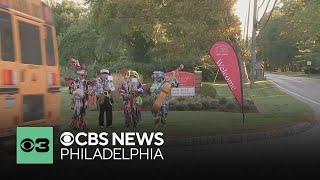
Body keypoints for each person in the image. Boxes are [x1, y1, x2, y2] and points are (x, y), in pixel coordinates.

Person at [66, 63, 89, 130]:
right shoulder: (74, 82)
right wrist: (76, 93)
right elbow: (70, 90)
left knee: (83, 112)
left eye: (83, 75)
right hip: (76, 99)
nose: (83, 76)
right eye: (81, 75)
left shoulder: (85, 82)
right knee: (76, 113)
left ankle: (82, 125)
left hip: (84, 99)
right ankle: (75, 125)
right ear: (78, 75)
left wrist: (86, 92)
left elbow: (87, 90)